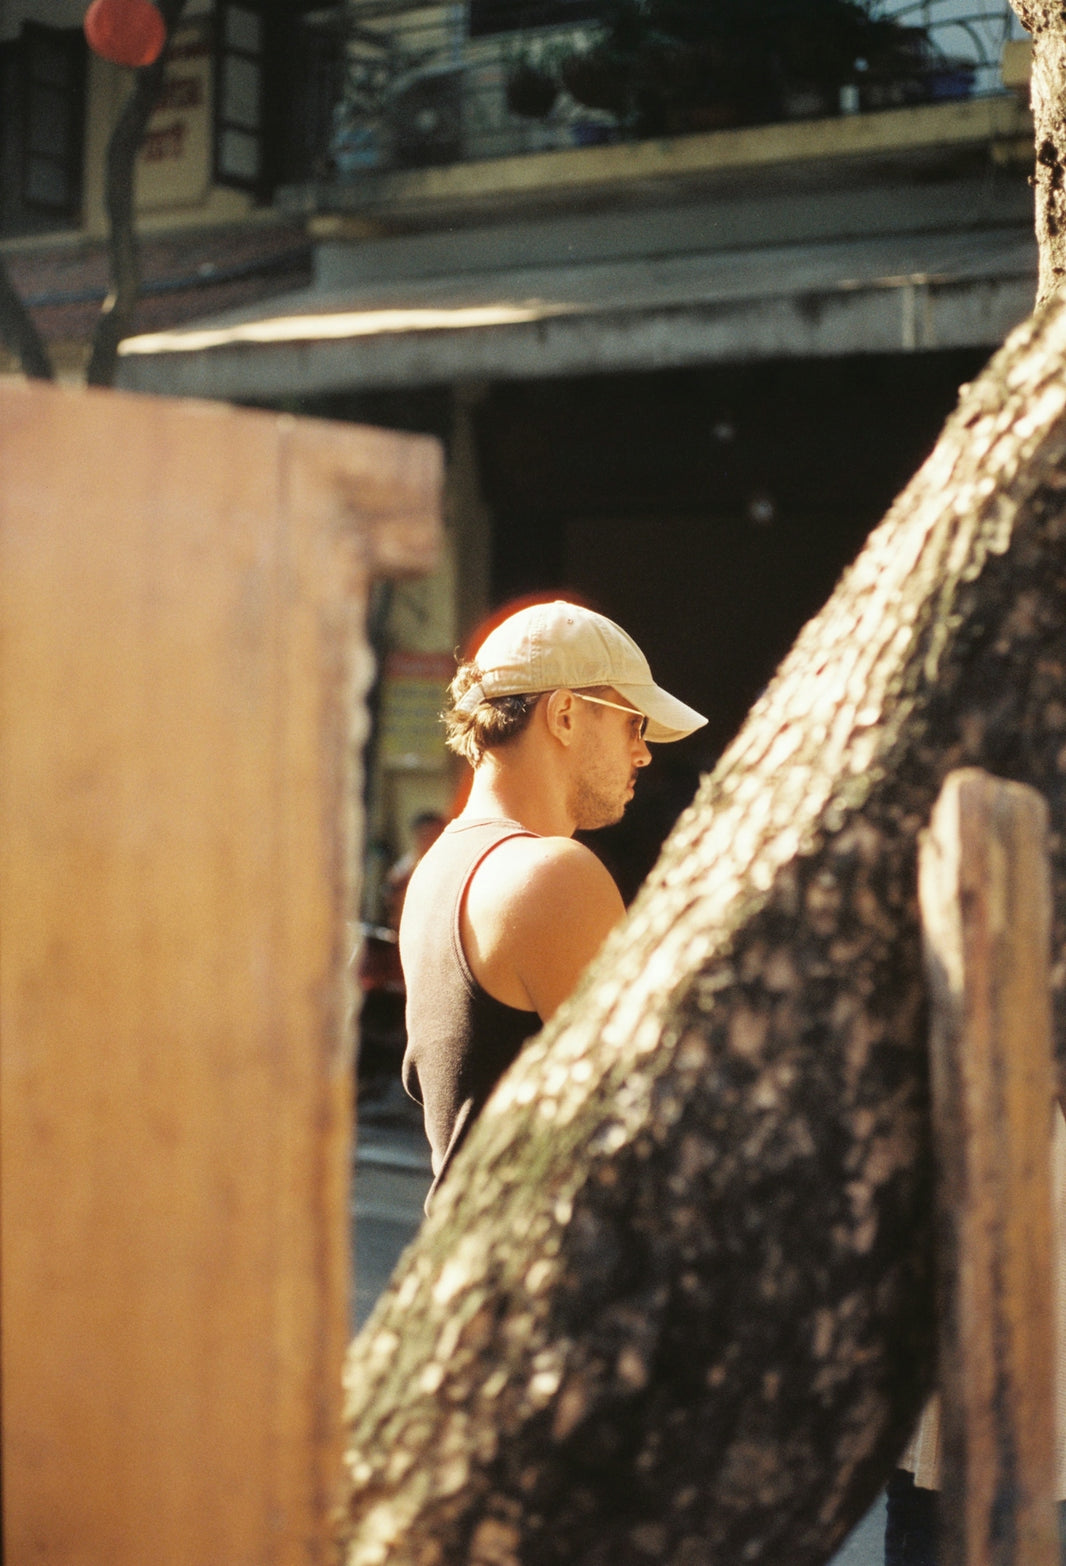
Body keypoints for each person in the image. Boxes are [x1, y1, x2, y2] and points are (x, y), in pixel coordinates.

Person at [399, 599, 707, 1201]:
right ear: (565, 715)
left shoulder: (440, 867)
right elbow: (646, 1113)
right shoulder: (551, 874)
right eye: (631, 723)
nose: (643, 752)